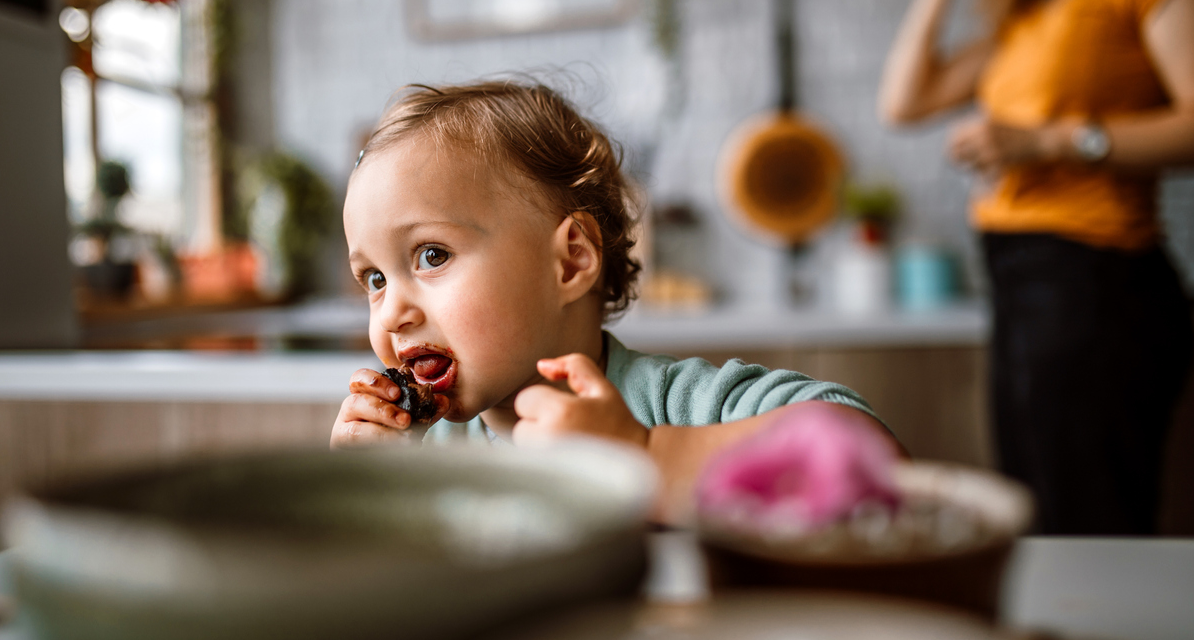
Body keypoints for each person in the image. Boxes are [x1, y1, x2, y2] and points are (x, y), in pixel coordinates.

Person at [330, 80, 898, 515]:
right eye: (374, 280)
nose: (392, 314)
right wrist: (370, 490)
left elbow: (861, 447)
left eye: (432, 255)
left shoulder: (673, 407)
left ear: (570, 260)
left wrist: (646, 452)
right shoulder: (432, 455)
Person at [879, 0, 1194, 533]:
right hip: (1024, 287)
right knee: (1042, 518)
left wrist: (1051, 141)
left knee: (1086, 526)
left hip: (1096, 287)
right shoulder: (1031, 0)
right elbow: (903, 102)